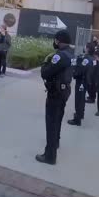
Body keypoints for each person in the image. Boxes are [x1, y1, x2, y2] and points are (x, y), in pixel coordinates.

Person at [36, 30, 74, 165]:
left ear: (58, 41)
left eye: (55, 40)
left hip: (55, 94)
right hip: (64, 92)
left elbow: (45, 73)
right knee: (57, 120)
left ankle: (50, 156)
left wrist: (45, 62)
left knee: (51, 123)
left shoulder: (59, 56)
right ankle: (56, 142)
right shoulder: (71, 53)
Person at [68, 42, 94, 126]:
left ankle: (77, 119)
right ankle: (81, 114)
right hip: (86, 81)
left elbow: (81, 70)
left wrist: (74, 73)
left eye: (85, 47)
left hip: (81, 81)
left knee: (79, 99)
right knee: (82, 99)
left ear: (88, 49)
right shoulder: (92, 58)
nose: (84, 48)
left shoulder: (86, 59)